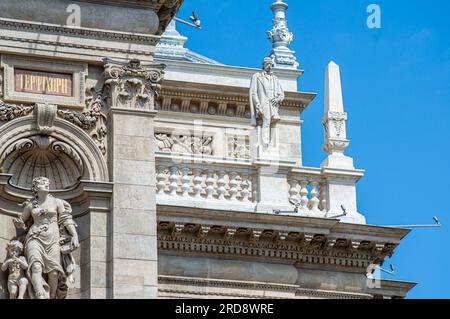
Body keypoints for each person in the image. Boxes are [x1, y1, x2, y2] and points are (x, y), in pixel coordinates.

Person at [13, 177, 79, 299]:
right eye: (43, 183)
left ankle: (52, 296)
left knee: (53, 273)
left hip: (53, 238)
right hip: (35, 237)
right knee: (36, 266)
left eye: (48, 183)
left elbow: (66, 219)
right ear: (36, 188)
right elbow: (22, 221)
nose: (47, 184)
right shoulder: (30, 205)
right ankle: (39, 294)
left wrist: (74, 235)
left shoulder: (57, 202)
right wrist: (19, 224)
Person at [249, 57, 285, 149]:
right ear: (263, 65)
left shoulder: (274, 78)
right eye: (267, 64)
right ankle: (265, 142)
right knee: (266, 121)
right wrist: (257, 104)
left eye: (270, 64)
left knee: (272, 122)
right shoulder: (257, 76)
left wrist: (277, 99)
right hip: (263, 103)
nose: (269, 66)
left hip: (272, 105)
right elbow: (254, 92)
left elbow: (281, 94)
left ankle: (270, 142)